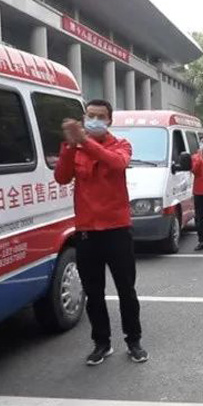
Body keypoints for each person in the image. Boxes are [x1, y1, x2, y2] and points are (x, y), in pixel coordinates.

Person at [54, 99, 148, 366]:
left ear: (109, 120)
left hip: (117, 229)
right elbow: (62, 177)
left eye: (100, 116)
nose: (94, 120)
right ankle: (101, 343)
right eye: (90, 115)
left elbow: (117, 164)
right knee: (93, 293)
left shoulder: (120, 145)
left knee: (126, 290)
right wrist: (70, 147)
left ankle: (134, 341)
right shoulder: (74, 148)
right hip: (87, 231)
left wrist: (85, 142)